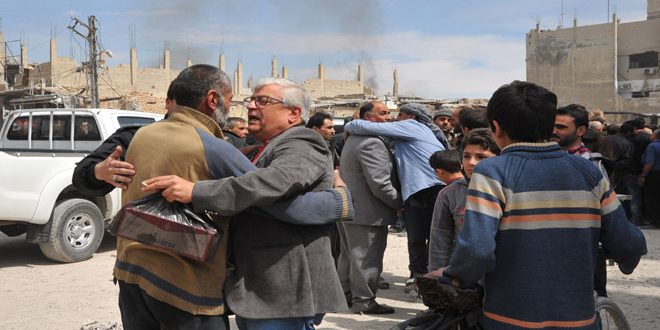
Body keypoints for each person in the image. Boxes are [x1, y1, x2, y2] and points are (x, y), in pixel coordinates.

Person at [113, 68, 351, 330]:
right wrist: (336, 201)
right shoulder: (253, 147)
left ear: (294, 114)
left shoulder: (302, 141)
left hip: (283, 288)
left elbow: (272, 187)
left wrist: (196, 192)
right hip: (262, 288)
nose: (250, 105)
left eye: (263, 101)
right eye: (252, 99)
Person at [440, 80, 646, 329]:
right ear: (550, 125)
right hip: (580, 320)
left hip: (510, 320)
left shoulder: (492, 172)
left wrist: (454, 278)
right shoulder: (588, 171)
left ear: (495, 126)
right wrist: (626, 262)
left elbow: (477, 251)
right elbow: (628, 243)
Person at [344, 102, 445, 294]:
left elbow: (362, 125)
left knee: (433, 239)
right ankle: (418, 277)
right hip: (419, 191)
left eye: (397, 114)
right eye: (386, 113)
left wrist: (349, 125)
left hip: (429, 190)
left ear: (411, 117)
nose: (392, 118)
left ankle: (430, 281)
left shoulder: (413, 126)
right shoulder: (403, 134)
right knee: (416, 239)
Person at [338, 101, 402, 314]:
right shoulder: (371, 142)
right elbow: (380, 184)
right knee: (366, 259)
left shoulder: (354, 138)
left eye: (388, 113)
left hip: (352, 209)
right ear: (367, 118)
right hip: (368, 213)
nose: (388, 118)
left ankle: (346, 297)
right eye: (382, 114)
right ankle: (364, 302)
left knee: (350, 256)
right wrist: (399, 202)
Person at [72, 83, 179, 193]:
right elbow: (81, 175)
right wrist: (99, 172)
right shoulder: (136, 137)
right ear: (168, 103)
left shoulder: (197, 138)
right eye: (186, 103)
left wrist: (195, 191)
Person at [427, 128, 499, 273]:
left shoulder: (509, 190)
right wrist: (437, 276)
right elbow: (439, 240)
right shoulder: (449, 194)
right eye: (466, 156)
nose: (471, 163)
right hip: (462, 278)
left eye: (481, 157)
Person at [640, 128, 660, 226]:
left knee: (652, 197)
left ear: (655, 136)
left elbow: (649, 163)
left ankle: (655, 220)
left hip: (654, 175)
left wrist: (643, 176)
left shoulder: (652, 146)